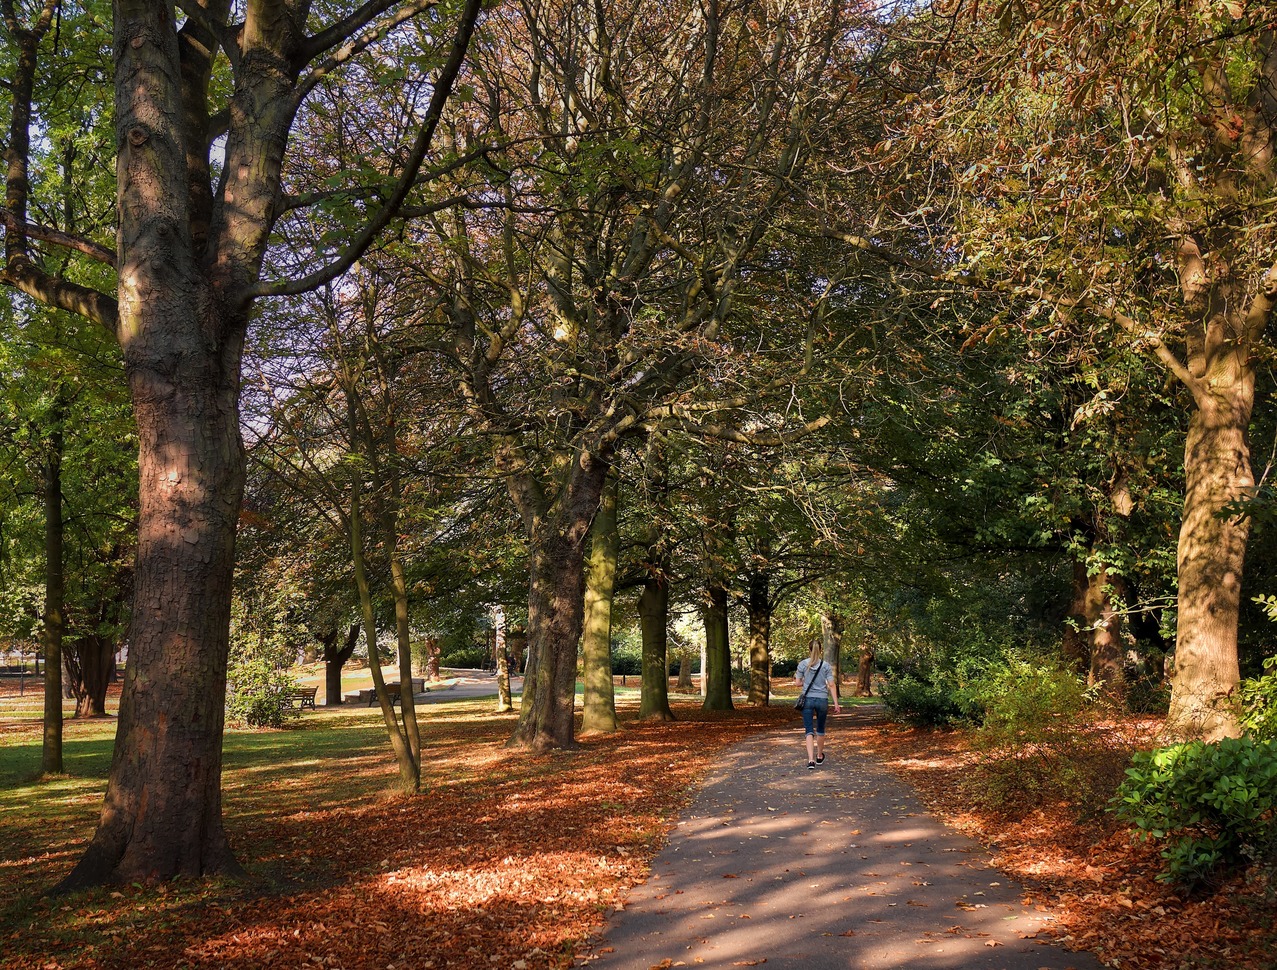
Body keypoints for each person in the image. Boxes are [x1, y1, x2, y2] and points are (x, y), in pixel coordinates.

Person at [795, 641, 840, 769]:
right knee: (820, 729)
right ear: (820, 650)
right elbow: (831, 684)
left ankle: (811, 760)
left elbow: (797, 683)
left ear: (809, 650)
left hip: (807, 700)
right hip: (822, 700)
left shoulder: (803, 664)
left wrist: (805, 681)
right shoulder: (825, 666)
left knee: (809, 730)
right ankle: (819, 756)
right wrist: (836, 704)